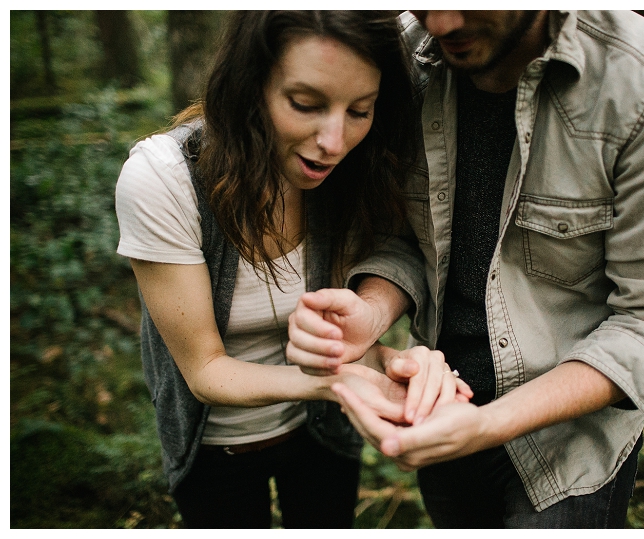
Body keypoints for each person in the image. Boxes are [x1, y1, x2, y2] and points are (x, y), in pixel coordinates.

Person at [287, 10, 644, 528]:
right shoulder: (406, 61)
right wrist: (372, 309)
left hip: (570, 451)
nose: (441, 21)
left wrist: (489, 424)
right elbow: (405, 235)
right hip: (438, 408)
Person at [115, 10, 470, 529]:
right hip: (216, 450)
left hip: (323, 434)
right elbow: (205, 372)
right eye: (306, 104)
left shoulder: (353, 168)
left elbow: (355, 315)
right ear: (249, 84)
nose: (334, 141)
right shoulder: (162, 181)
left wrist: (396, 364)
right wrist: (338, 382)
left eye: (360, 110)